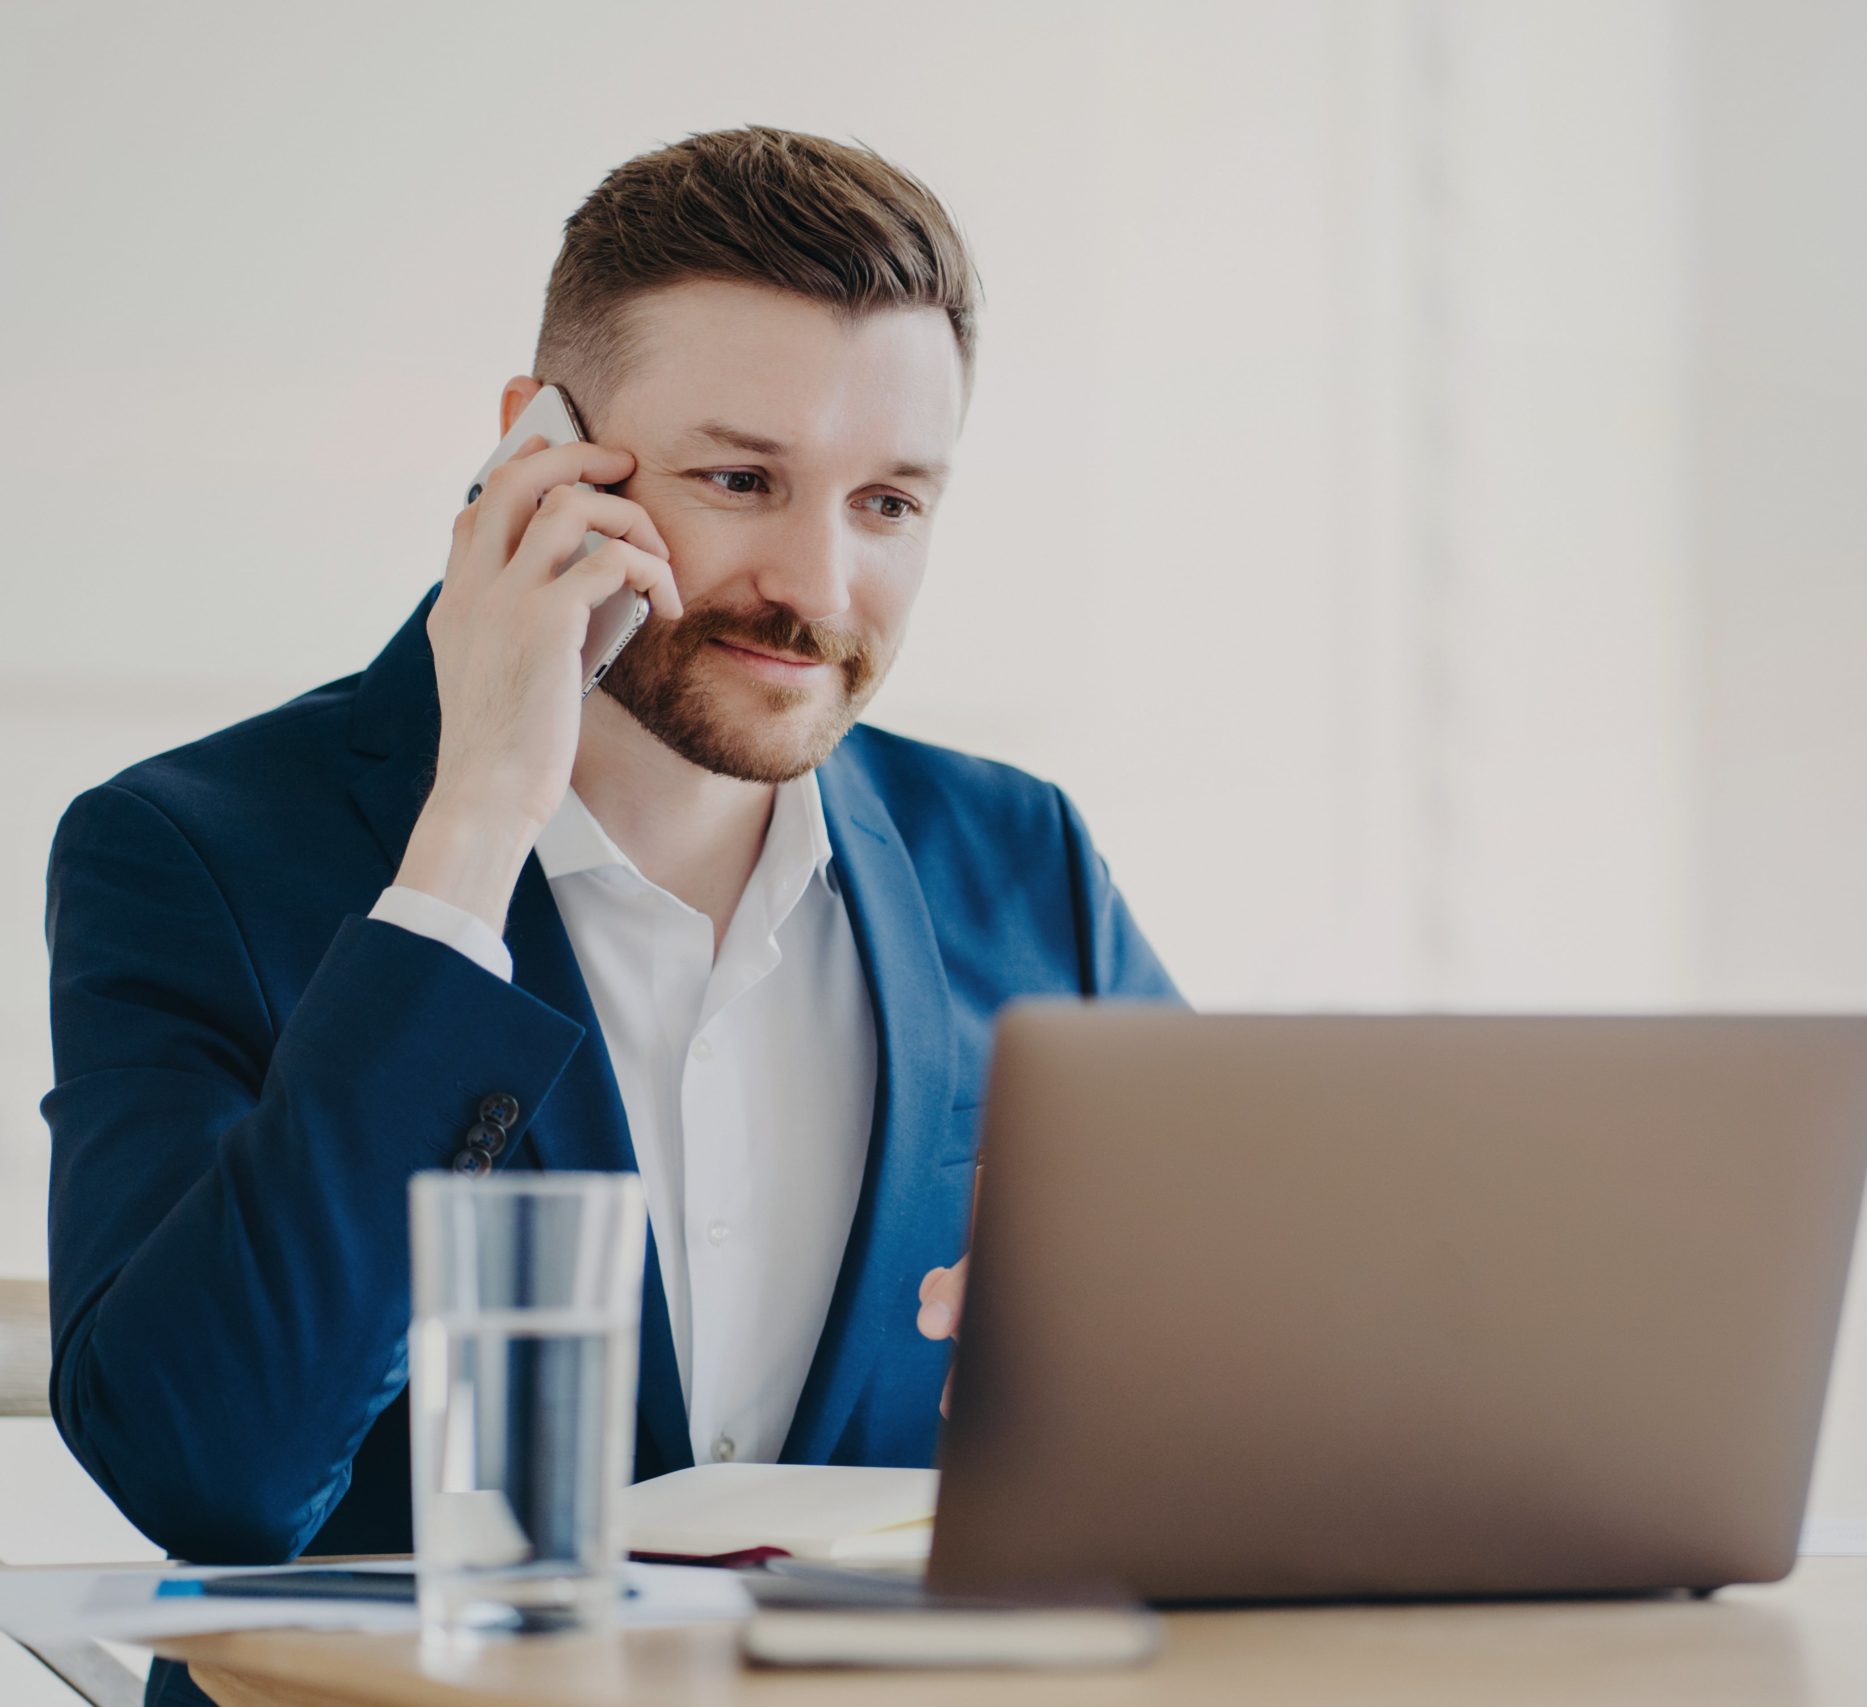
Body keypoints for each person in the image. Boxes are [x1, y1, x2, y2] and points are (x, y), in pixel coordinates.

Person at [42, 125, 1177, 1705]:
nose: (820, 587)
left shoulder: (1020, 857)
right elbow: (213, 1470)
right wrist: (477, 827)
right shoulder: (193, 853)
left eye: (891, 505)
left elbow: (1227, 1377)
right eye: (741, 480)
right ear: (540, 450)